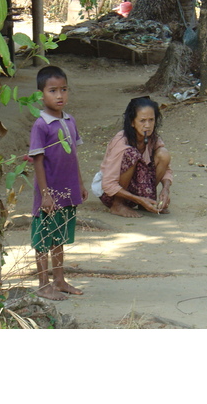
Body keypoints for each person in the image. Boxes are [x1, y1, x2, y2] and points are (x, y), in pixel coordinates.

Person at [28, 65, 88, 300]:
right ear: (40, 94)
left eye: (64, 89)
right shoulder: (41, 125)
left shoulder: (70, 121)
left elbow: (73, 155)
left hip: (67, 190)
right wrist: (45, 194)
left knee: (60, 237)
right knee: (43, 238)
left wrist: (79, 184)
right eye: (53, 91)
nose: (60, 95)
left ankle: (60, 280)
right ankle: (44, 284)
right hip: (49, 193)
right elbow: (38, 161)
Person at [98, 96, 172, 218]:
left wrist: (165, 190)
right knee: (131, 154)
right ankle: (118, 205)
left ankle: (148, 202)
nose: (147, 125)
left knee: (163, 154)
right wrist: (138, 199)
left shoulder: (154, 139)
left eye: (151, 120)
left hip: (137, 192)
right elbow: (108, 184)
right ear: (132, 122)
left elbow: (167, 169)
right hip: (112, 194)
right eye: (142, 121)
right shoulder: (121, 141)